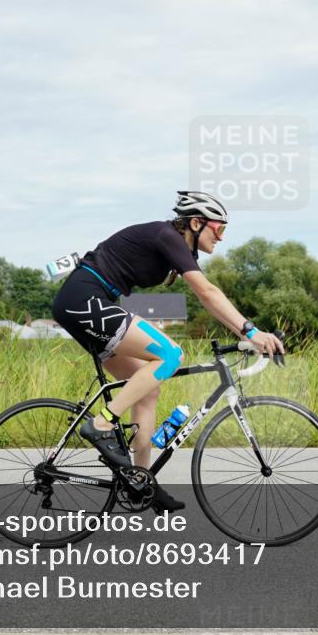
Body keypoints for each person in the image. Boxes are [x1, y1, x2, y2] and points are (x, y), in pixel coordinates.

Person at [51, 191, 285, 511]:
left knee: (147, 387)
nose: (222, 237)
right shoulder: (167, 236)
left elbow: (209, 298)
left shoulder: (178, 247)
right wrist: (251, 331)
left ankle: (141, 481)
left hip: (88, 304)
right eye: (220, 228)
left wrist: (243, 332)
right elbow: (207, 292)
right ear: (195, 222)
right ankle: (102, 423)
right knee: (171, 355)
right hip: (84, 300)